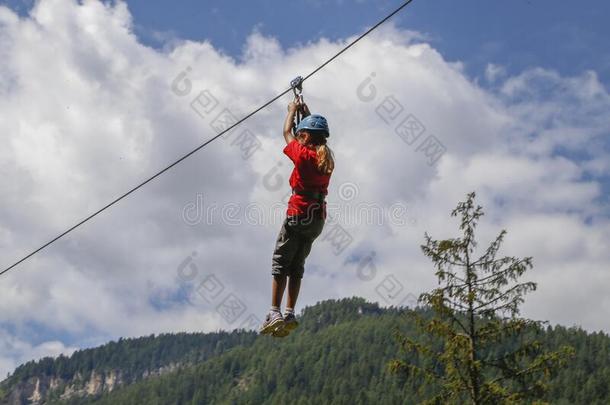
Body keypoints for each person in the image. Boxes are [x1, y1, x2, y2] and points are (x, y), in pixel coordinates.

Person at [259, 98, 335, 337]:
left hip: (298, 212)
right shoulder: (327, 159)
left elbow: (285, 132)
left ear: (303, 137)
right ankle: (290, 312)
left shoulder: (302, 156)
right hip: (317, 218)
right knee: (297, 266)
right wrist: (306, 113)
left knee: (281, 262)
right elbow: (312, 135)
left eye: (300, 134)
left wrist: (292, 111)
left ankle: (274, 311)